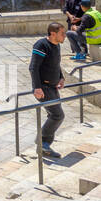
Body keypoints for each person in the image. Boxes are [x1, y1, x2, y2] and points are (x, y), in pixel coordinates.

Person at [30, 22, 67, 159]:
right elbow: (33, 67)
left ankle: (45, 145)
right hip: (43, 88)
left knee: (54, 115)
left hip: (52, 87)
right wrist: (37, 87)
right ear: (53, 33)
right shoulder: (41, 45)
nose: (65, 36)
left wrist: (61, 77)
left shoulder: (56, 46)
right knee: (57, 115)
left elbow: (56, 64)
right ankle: (42, 143)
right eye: (62, 33)